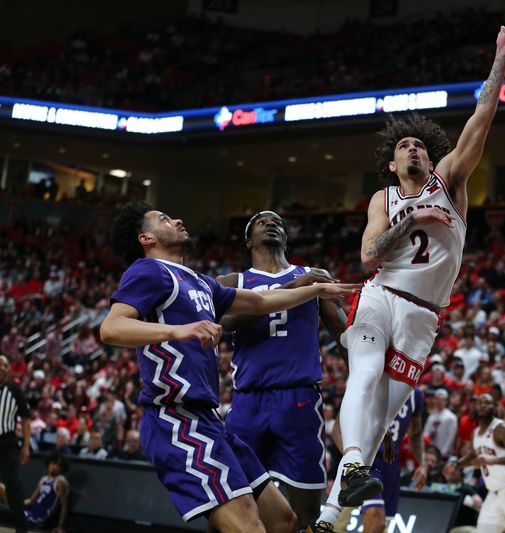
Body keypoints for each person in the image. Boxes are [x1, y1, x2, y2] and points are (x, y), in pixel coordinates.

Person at [313, 13, 505, 533]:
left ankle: (330, 510)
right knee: (363, 378)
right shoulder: (383, 199)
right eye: (402, 147)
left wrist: (500, 58)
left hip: (423, 317)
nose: (411, 148)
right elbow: (370, 255)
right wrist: (411, 217)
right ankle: (340, 490)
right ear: (391, 165)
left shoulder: (450, 180)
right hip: (380, 295)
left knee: (384, 413)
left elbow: (482, 117)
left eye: (418, 145)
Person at [99, 201, 356, 532]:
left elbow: (262, 301)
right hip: (176, 419)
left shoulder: (201, 281)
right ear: (146, 238)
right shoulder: (148, 271)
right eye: (164, 218)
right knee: (250, 526)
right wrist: (176, 330)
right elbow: (111, 328)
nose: (177, 218)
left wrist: (316, 288)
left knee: (283, 520)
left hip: (210, 420)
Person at [216, 210, 348, 529]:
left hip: (299, 399)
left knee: (305, 508)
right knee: (233, 501)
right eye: (261, 222)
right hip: (249, 402)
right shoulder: (232, 282)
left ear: (286, 237)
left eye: (277, 222)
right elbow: (227, 323)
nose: (271, 224)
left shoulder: (314, 274)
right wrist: (297, 287)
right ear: (248, 239)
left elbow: (346, 339)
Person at [334, 389, 426, 533]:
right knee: (375, 519)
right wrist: (353, 459)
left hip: (391, 465)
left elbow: (416, 434)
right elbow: (337, 429)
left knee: (381, 526)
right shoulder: (370, 379)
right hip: (366, 460)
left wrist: (423, 464)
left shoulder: (415, 394)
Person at [447, 394, 505, 533]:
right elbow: (472, 455)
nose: (483, 405)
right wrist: (456, 465)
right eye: (480, 403)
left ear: (495, 407)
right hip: (493, 493)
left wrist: (493, 461)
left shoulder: (501, 429)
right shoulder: (475, 433)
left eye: (487, 403)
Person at [1, 452, 69, 532]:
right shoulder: (43, 479)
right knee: (2, 490)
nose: (55, 467)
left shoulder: (61, 481)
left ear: (62, 468)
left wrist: (60, 526)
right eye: (54, 463)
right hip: (28, 512)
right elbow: (31, 500)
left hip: (38, 519)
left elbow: (64, 506)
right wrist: (16, 504)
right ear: (49, 463)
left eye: (59, 466)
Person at [0, 355, 30, 533]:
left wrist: (26, 445)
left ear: (8, 369)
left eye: (4, 365)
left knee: (12, 485)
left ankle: (21, 528)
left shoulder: (15, 391)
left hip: (8, 442)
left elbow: (26, 420)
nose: (1, 367)